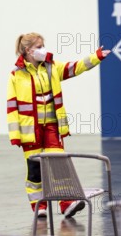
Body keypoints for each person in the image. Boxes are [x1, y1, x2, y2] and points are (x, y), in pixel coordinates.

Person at [7, 32, 110, 218]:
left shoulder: (51, 67)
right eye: (38, 47)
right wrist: (15, 135)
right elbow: (12, 106)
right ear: (28, 50)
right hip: (31, 131)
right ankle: (40, 206)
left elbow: (75, 68)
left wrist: (96, 57)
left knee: (59, 165)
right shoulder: (16, 75)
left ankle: (67, 204)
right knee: (35, 170)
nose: (42, 49)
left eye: (42, 46)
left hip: (52, 126)